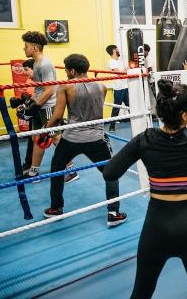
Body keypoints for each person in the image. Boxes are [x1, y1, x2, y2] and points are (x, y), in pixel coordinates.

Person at [104, 79, 187, 298]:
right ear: (185, 115)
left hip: (157, 227)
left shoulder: (144, 140)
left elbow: (109, 173)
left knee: (141, 293)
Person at [40, 54, 126, 225]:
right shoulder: (102, 87)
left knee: (57, 168)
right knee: (110, 173)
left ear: (72, 70)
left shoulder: (66, 87)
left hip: (72, 138)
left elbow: (57, 115)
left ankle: (56, 208)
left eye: (66, 70)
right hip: (96, 138)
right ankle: (113, 213)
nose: (65, 73)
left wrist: (45, 131)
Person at [20, 31, 78, 181]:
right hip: (41, 106)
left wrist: (33, 107)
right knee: (37, 138)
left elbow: (50, 89)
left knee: (56, 138)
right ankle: (34, 172)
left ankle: (71, 170)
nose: (24, 49)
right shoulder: (37, 64)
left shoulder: (45, 64)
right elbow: (40, 88)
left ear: (34, 48)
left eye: (26, 46)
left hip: (47, 107)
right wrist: (30, 102)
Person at [106, 44, 129, 132]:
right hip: (119, 88)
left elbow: (125, 70)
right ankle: (112, 126)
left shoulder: (120, 61)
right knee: (116, 107)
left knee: (130, 106)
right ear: (114, 50)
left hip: (126, 86)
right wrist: (128, 71)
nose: (119, 50)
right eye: (117, 49)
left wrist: (128, 70)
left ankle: (137, 123)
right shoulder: (111, 61)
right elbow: (119, 73)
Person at [20, 59, 35, 170]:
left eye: (26, 70)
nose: (25, 73)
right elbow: (28, 95)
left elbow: (40, 97)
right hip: (35, 111)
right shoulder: (29, 80)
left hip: (44, 111)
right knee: (33, 139)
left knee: (55, 139)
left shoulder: (42, 81)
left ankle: (69, 167)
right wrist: (24, 105)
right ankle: (30, 165)